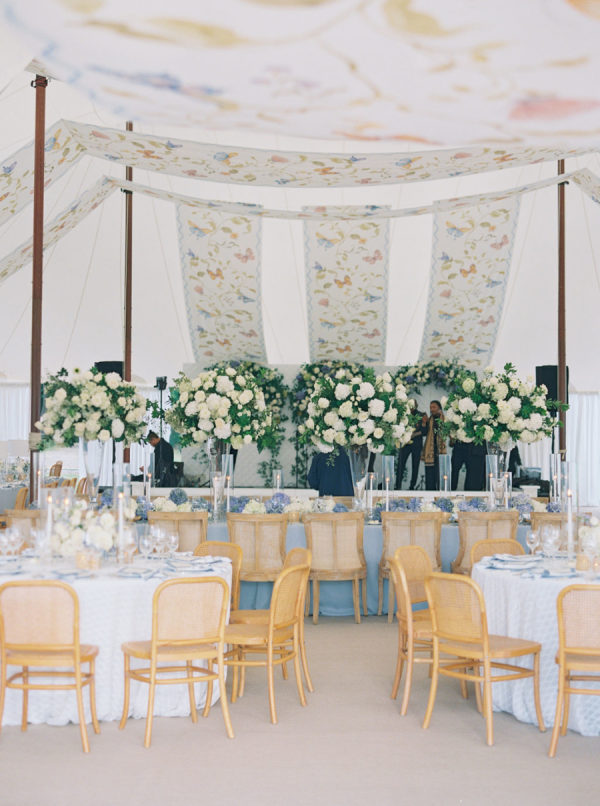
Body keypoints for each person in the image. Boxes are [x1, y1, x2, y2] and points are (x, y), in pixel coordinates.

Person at [396, 405, 425, 490]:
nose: (411, 407)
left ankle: (412, 486)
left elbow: (425, 430)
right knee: (400, 464)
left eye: (413, 406)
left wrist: (414, 434)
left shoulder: (421, 415)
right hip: (405, 444)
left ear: (416, 405)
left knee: (415, 466)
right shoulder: (404, 415)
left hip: (417, 444)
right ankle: (397, 485)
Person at [421, 400, 446, 491]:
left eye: (434, 407)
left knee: (440, 476)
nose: (432, 409)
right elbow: (424, 433)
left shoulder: (445, 419)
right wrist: (424, 423)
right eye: (430, 407)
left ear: (439, 408)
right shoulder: (429, 420)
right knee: (430, 477)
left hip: (440, 451)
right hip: (430, 452)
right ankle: (430, 495)